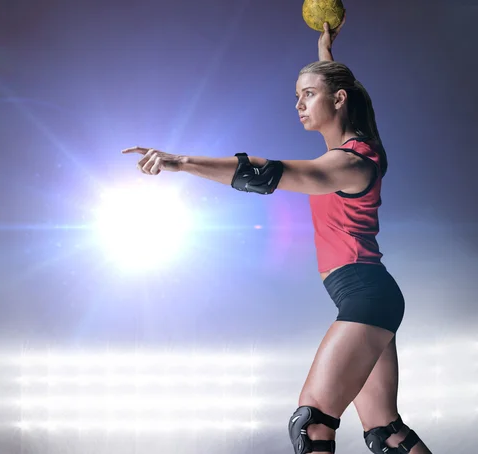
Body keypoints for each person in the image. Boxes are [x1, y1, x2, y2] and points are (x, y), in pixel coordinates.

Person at [122, 14, 432, 454]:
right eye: (296, 97)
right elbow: (338, 90)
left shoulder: (347, 164)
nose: (299, 105)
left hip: (366, 295)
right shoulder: (361, 148)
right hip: (370, 296)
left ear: (339, 99)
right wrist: (325, 51)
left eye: (308, 95)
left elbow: (266, 175)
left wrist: (182, 162)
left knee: (312, 424)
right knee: (385, 432)